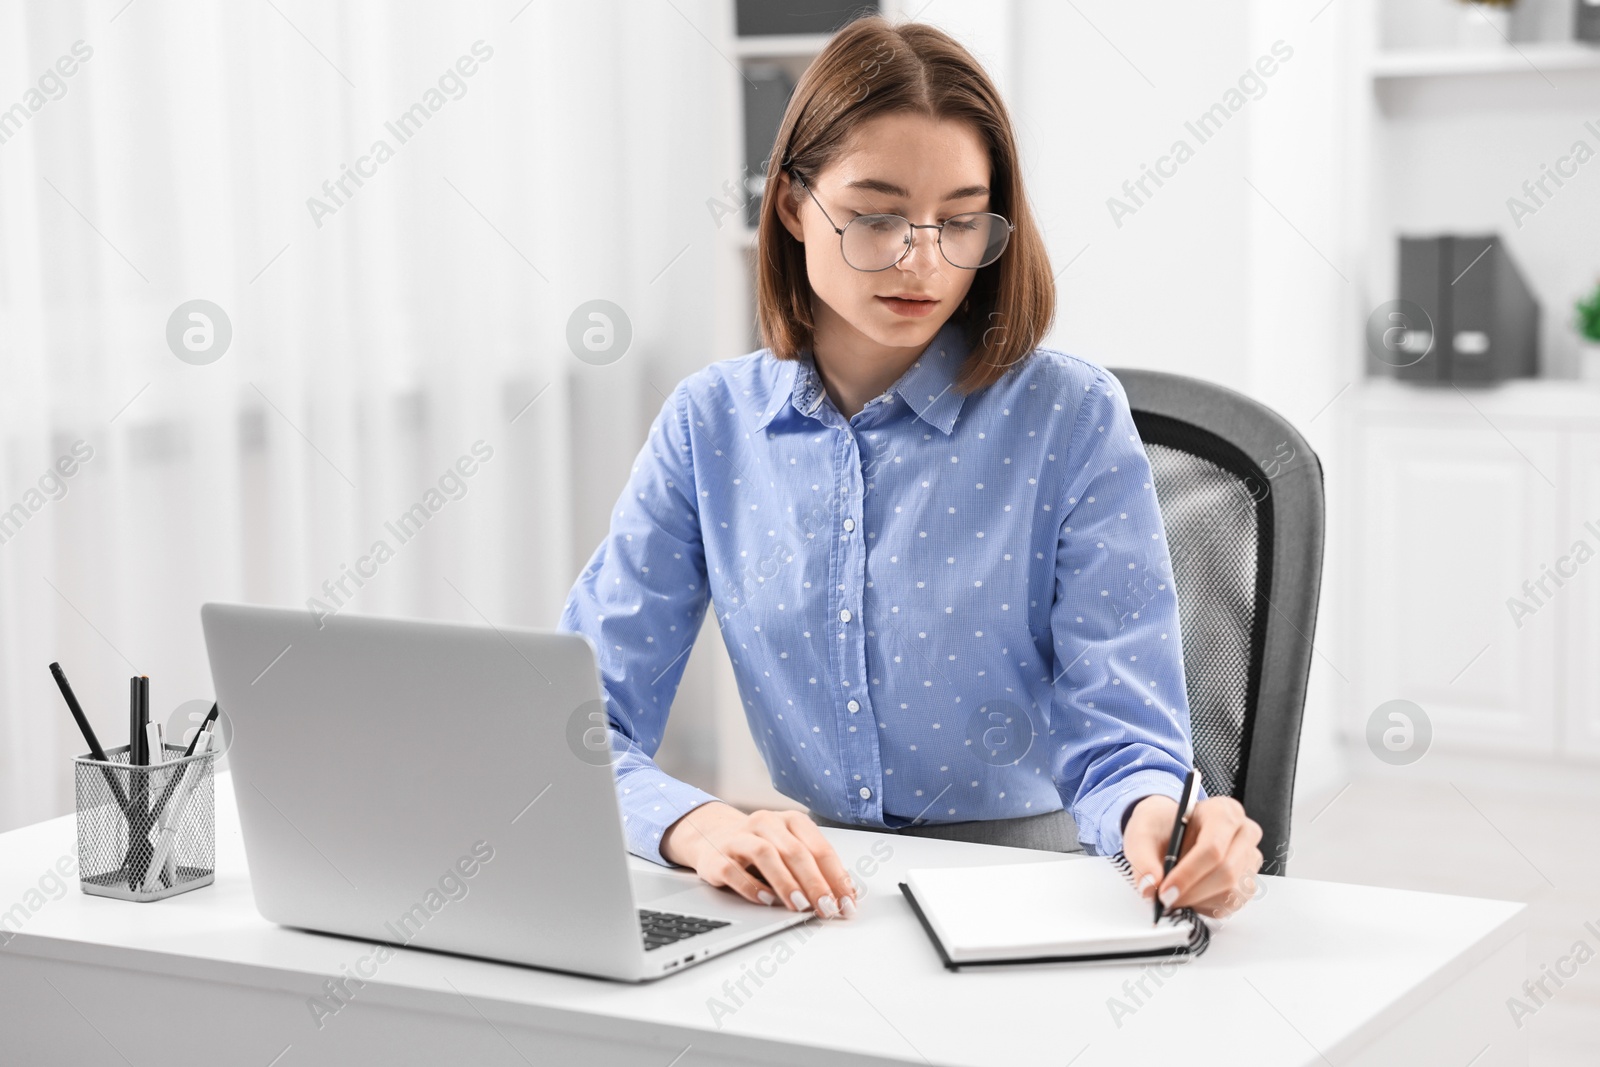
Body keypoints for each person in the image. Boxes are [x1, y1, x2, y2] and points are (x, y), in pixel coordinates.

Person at [559, 16, 1262, 924]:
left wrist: (1163, 821)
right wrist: (695, 824)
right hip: (816, 893)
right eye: (876, 216)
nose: (922, 259)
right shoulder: (710, 426)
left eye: (962, 221)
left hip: (1041, 893)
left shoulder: (1072, 419)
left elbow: (1124, 737)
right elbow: (579, 724)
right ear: (790, 206)